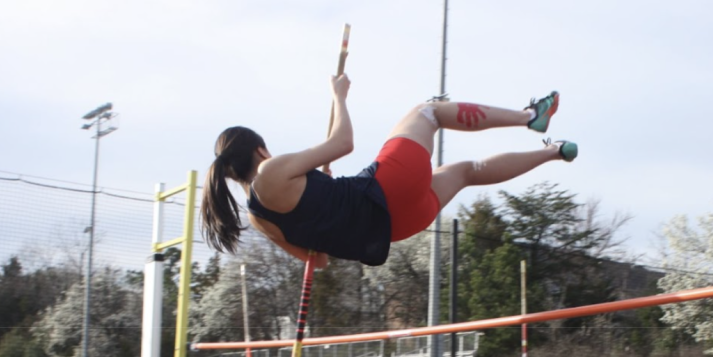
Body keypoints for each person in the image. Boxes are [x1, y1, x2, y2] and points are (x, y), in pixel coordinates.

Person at [200, 75, 577, 268]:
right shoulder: (270, 170)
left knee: (466, 171)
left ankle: (553, 152)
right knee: (428, 111)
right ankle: (530, 116)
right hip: (384, 187)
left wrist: (327, 194)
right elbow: (342, 142)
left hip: (391, 228)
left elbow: (319, 260)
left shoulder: (259, 217)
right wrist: (339, 96)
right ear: (259, 149)